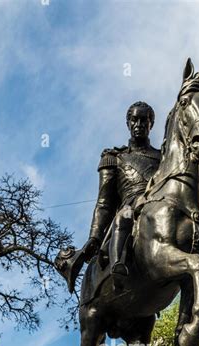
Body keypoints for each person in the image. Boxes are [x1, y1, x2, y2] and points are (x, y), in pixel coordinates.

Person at [55, 101, 162, 291]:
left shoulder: (163, 157)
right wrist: (94, 237)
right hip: (131, 207)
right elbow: (104, 202)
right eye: (134, 120)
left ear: (151, 123)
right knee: (125, 214)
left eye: (144, 120)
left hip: (160, 205)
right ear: (128, 123)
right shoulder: (114, 157)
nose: (139, 125)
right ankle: (118, 264)